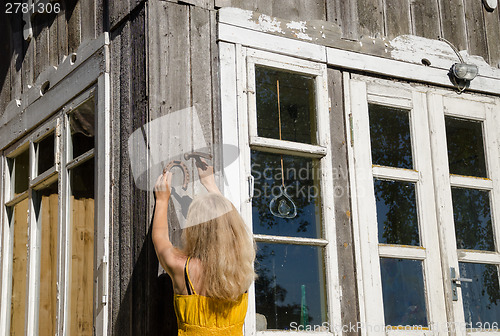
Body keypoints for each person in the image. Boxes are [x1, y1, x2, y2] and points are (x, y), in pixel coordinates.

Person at [152, 160, 256, 336]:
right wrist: (211, 184)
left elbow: (159, 239)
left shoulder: (183, 268)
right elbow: (232, 225)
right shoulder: (243, 268)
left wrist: (162, 200)